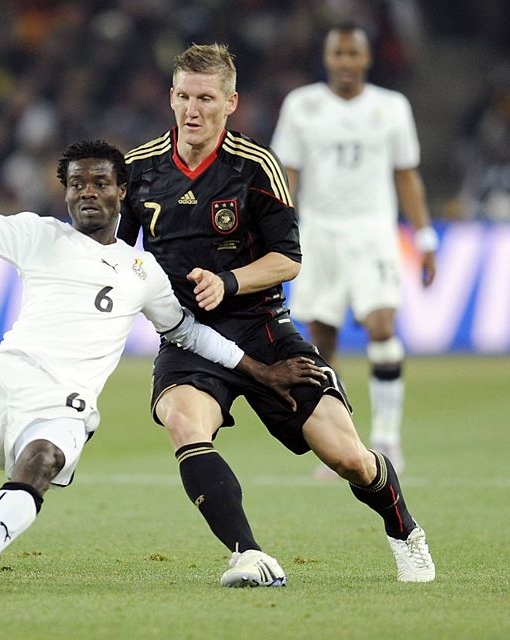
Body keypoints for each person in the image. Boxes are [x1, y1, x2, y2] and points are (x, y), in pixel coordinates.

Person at [0, 124, 326, 596]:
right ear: (65, 192)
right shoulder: (38, 235)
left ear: (122, 191)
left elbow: (187, 333)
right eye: (77, 184)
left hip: (63, 402)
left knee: (40, 463)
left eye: (100, 183)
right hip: (0, 377)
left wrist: (260, 371)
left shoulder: (142, 271)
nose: (87, 193)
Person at [117, 43, 435, 586]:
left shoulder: (256, 166)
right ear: (170, 97)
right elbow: (117, 257)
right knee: (184, 423)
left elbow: (288, 259)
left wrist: (228, 281)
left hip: (262, 331)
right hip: (190, 338)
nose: (192, 110)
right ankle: (249, 555)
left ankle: (405, 531)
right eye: (184, 97)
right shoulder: (139, 169)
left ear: (230, 102)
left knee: (349, 458)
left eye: (206, 98)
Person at [270, 23, 438, 475]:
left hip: (373, 233)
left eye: (353, 53)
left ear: (366, 58)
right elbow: (287, 175)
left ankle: (386, 436)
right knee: (321, 339)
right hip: (319, 234)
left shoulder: (391, 107)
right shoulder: (302, 105)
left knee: (382, 325)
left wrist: (425, 237)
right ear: (327, 58)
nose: (345, 62)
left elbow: (406, 174)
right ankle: (339, 443)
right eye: (338, 54)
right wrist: (277, 232)